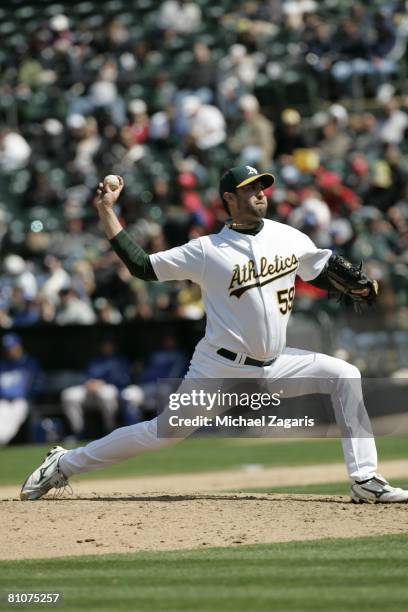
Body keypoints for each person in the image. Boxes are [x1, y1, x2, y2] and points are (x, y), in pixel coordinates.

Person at [20, 167, 408, 503]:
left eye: (263, 187)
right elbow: (141, 266)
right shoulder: (206, 250)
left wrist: (353, 285)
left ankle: (365, 479)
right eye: (250, 188)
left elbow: (319, 268)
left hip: (279, 364)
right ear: (229, 198)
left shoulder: (289, 236)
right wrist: (106, 210)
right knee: (161, 433)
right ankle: (64, 463)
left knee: (345, 375)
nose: (260, 194)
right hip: (220, 369)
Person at [60, 336, 133, 438]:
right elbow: (87, 376)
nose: (107, 347)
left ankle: (110, 430)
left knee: (105, 394)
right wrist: (89, 383)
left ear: (115, 346)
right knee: (68, 395)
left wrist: (102, 383)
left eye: (109, 345)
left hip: (109, 389)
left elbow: (123, 380)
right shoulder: (95, 361)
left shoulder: (121, 360)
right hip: (90, 390)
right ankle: (78, 432)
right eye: (105, 345)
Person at [0, 333, 44, 445]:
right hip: (4, 401)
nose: (10, 350)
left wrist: (29, 395)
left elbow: (39, 384)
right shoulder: (2, 365)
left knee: (11, 421)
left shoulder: (30, 364)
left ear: (18, 346)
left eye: (12, 347)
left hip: (22, 400)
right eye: (7, 348)